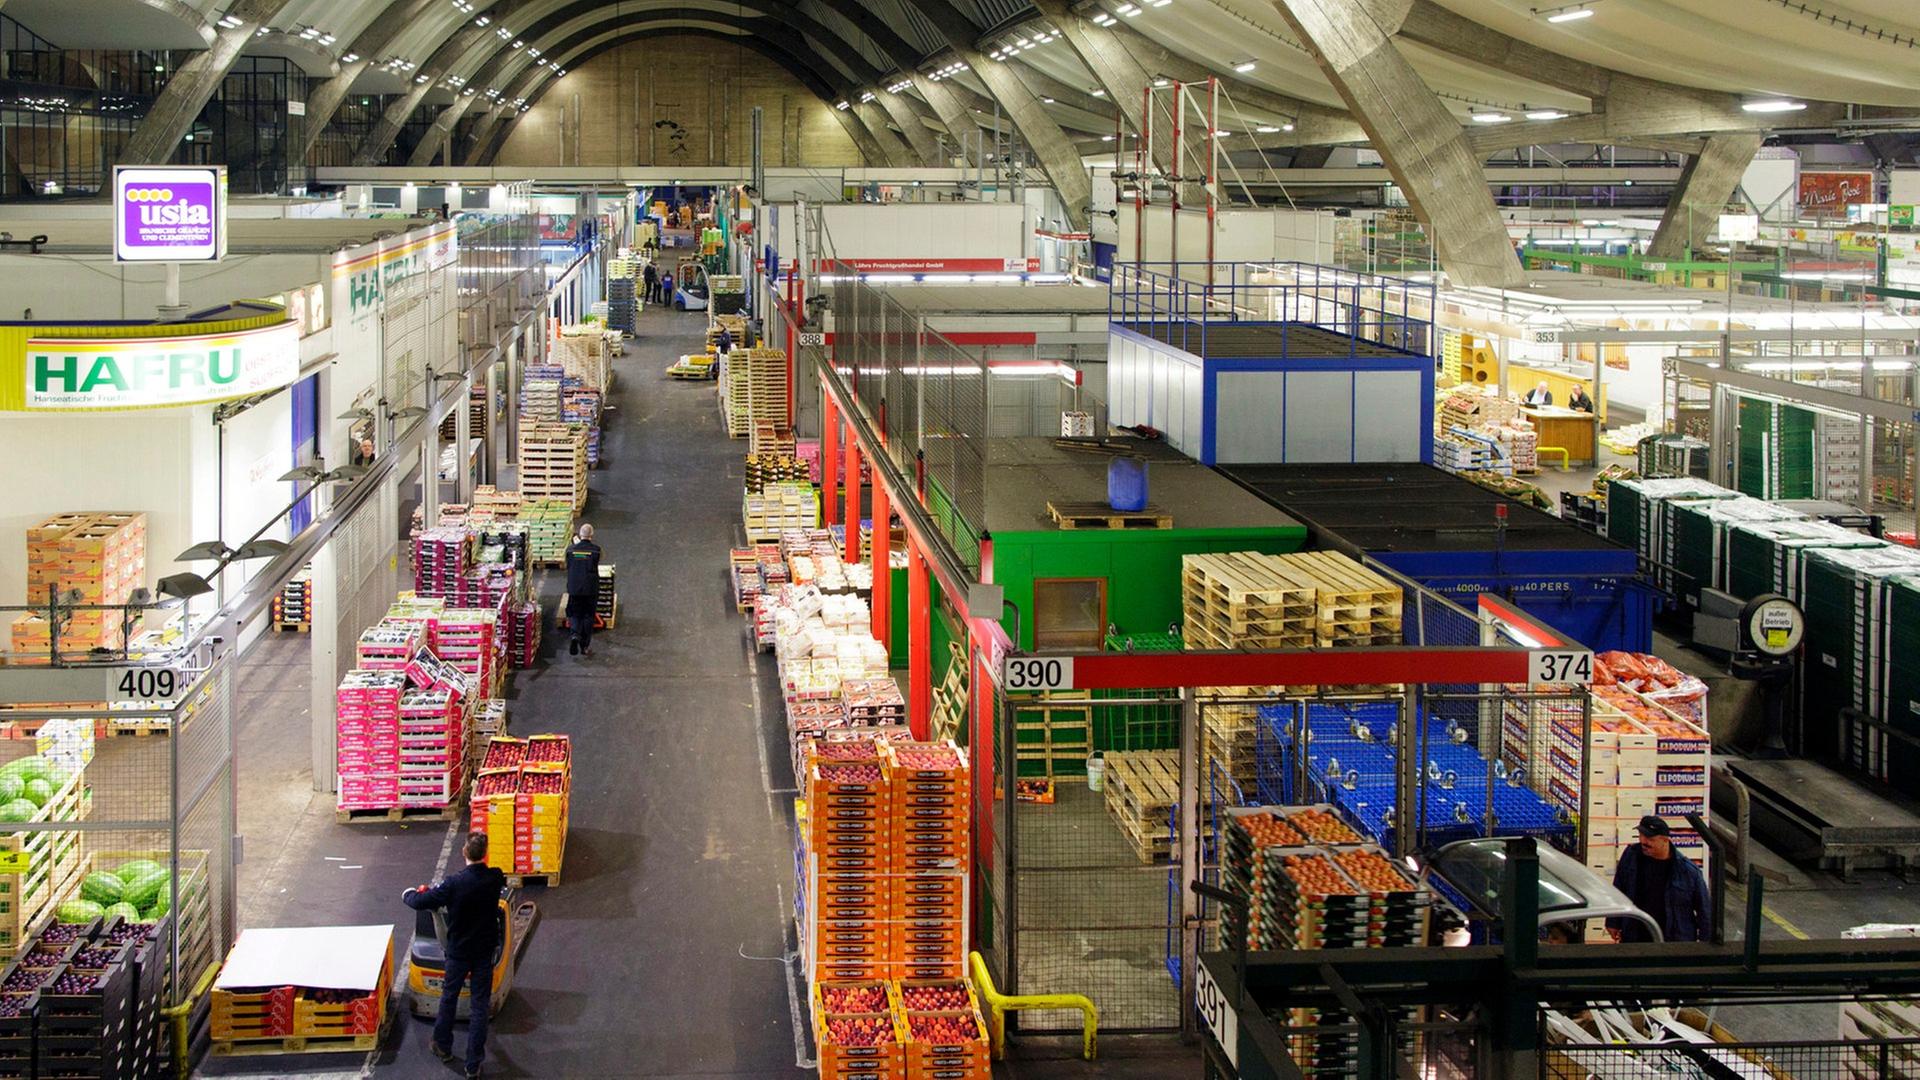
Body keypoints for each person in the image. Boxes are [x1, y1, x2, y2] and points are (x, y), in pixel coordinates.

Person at [405, 832, 507, 1078]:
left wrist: (408, 894)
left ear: (464, 852)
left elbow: (423, 900)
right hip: (483, 950)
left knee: (449, 997)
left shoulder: (454, 884)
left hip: (459, 951)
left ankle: (443, 1045)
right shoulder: (495, 877)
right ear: (486, 853)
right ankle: (473, 1064)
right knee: (479, 1005)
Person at [1606, 816, 1710, 944]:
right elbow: (1619, 887)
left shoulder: (1688, 872)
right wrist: (1613, 921)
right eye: (1641, 836)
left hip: (1673, 944)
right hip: (1635, 936)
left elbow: (1704, 911)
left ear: (1665, 840)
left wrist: (1706, 948)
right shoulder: (1631, 855)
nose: (1643, 842)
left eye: (1650, 839)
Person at [565, 523, 602, 656]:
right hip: (590, 589)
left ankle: (575, 634)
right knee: (588, 616)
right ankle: (584, 646)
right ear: (591, 535)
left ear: (580, 535)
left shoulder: (570, 550)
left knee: (574, 613)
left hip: (574, 587)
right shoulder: (596, 550)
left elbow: (569, 564)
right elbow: (595, 562)